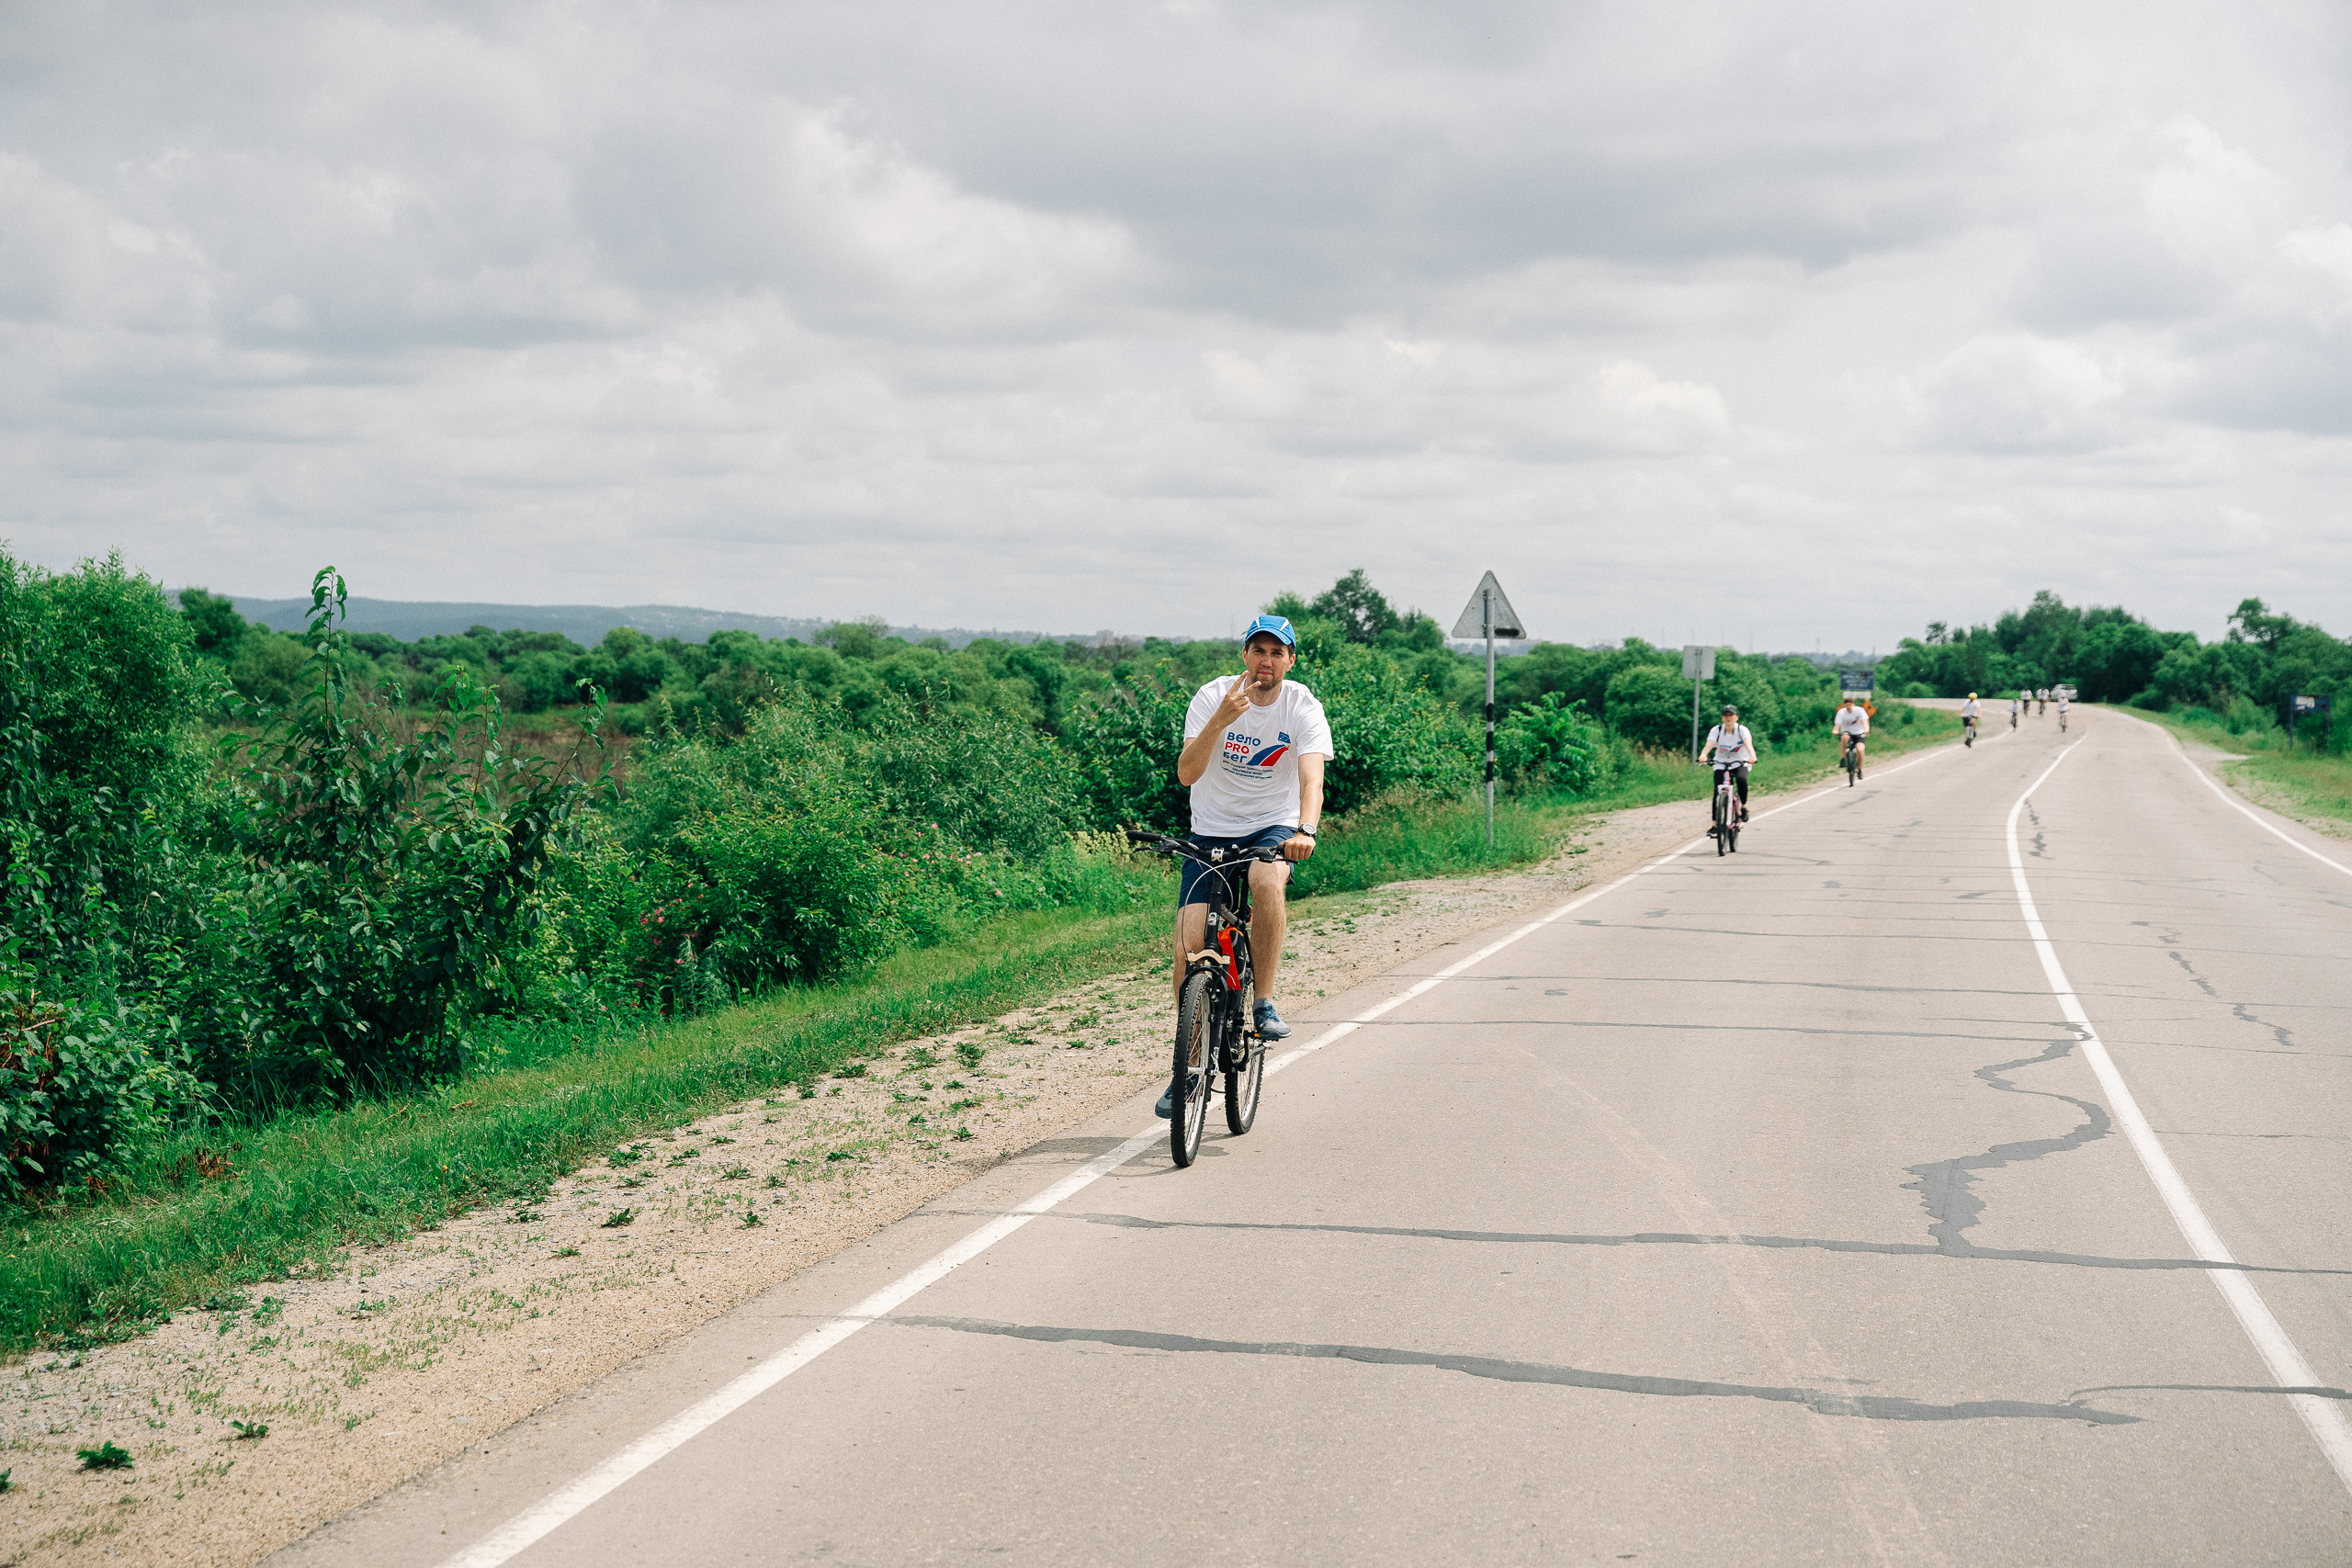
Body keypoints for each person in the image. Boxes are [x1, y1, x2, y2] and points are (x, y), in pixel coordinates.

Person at [1158, 615, 1330, 1117]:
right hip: (1210, 829)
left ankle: (1264, 1002)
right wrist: (1221, 721)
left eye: (1278, 653)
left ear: (1290, 660)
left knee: (1263, 879)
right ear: (1245, 656)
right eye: (1259, 651)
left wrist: (1306, 830)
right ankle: (1187, 1072)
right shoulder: (1213, 697)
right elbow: (1187, 774)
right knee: (1190, 947)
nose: (1267, 662)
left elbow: (1311, 778)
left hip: (1273, 826)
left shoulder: (1301, 705)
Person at [1702, 704, 1756, 827]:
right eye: (1725, 715)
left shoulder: (1741, 730)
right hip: (1721, 762)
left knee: (1741, 779)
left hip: (1740, 761)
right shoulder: (1717, 730)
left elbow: (1749, 744)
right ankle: (1715, 825)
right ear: (1722, 718)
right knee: (1717, 790)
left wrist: (1752, 756)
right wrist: (1703, 755)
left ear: (1736, 717)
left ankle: (1743, 807)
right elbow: (1709, 745)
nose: (1728, 718)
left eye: (1731, 715)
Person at [1833, 693, 1870, 781]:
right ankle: (1843, 758)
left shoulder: (1859, 710)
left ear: (1853, 704)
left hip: (1858, 733)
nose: (1848, 705)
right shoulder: (1841, 712)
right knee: (1844, 737)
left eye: (1850, 703)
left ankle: (1860, 769)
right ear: (1844, 704)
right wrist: (1835, 730)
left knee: (1860, 750)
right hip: (1847, 733)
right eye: (1846, 703)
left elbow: (1865, 721)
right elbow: (1837, 725)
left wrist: (1866, 729)